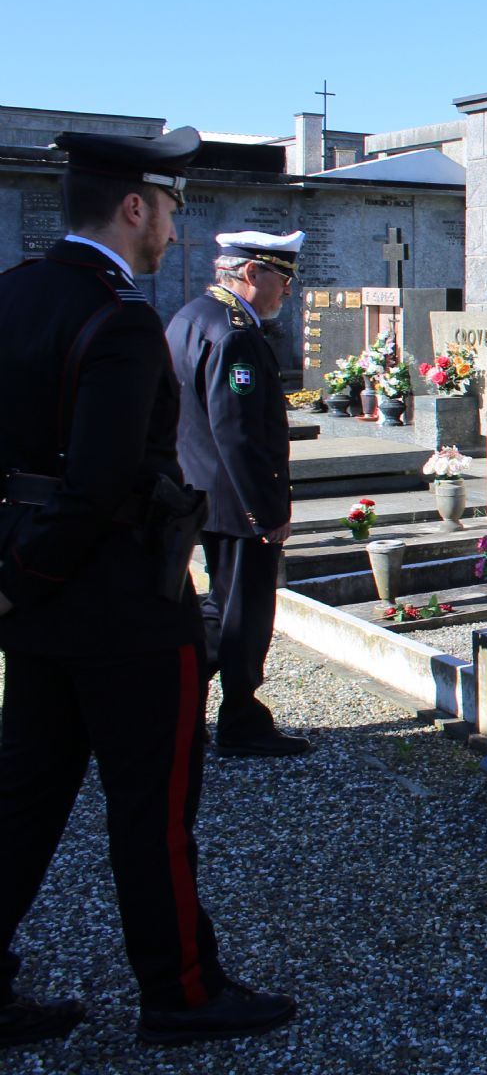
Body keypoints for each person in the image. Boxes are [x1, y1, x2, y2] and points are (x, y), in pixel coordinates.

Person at [0, 127, 296, 1047]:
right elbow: (99, 486)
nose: (173, 228)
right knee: (154, 813)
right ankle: (182, 991)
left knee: (23, 801)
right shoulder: (120, 317)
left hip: (36, 610)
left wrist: (13, 582)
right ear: (133, 207)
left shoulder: (14, 293)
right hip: (124, 607)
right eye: (169, 208)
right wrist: (26, 576)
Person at [168, 230, 310, 758]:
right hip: (235, 501)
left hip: (202, 489)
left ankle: (173, 703)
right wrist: (266, 511)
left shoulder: (191, 317)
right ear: (252, 273)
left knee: (218, 608)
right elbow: (239, 433)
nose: (288, 290)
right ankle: (241, 722)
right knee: (246, 615)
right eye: (283, 277)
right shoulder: (235, 336)